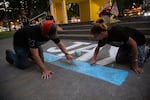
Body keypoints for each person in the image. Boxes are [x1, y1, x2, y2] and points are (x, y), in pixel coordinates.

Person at [5, 18, 73, 79]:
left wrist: (67, 54)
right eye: (49, 36)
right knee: (23, 65)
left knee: (41, 62)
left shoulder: (51, 32)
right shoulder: (33, 33)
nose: (51, 37)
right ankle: (10, 54)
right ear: (44, 32)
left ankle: (28, 54)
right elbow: (35, 55)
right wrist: (44, 70)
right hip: (20, 44)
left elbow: (59, 43)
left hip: (33, 44)